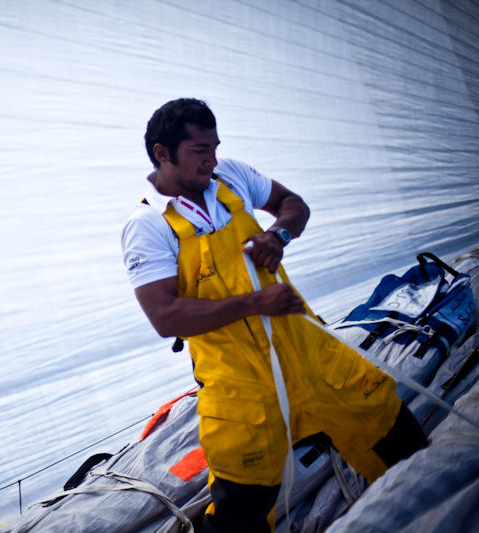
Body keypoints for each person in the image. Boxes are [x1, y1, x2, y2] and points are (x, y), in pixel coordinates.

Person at [121, 98, 427, 532]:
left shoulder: (234, 176)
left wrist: (278, 233)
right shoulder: (149, 226)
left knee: (400, 438)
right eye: (199, 151)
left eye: (215, 147)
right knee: (241, 511)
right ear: (161, 153)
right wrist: (253, 303)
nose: (211, 160)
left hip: (313, 357)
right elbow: (165, 317)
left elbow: (293, 203)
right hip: (240, 388)